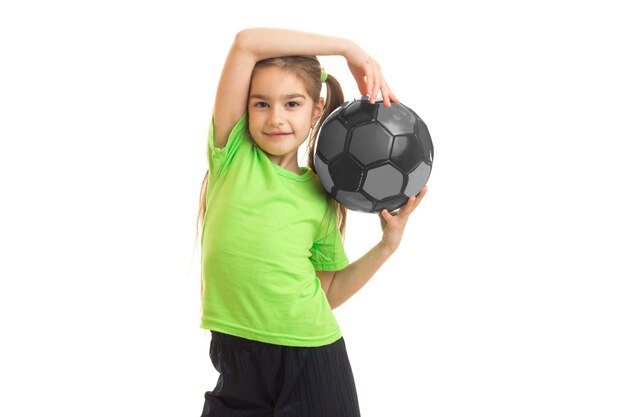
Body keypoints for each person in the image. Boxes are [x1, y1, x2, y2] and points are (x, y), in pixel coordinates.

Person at [195, 28, 428, 417]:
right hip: (235, 359)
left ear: (316, 110)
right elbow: (246, 43)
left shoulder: (320, 195)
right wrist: (345, 48)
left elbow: (328, 291)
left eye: (292, 103)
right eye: (261, 104)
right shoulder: (232, 154)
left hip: (312, 359)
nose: (276, 118)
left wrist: (387, 245)